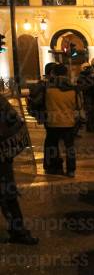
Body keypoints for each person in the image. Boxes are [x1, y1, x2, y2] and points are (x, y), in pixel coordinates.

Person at [0, 95, 38, 245]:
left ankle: (19, 232)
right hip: (4, 154)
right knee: (8, 196)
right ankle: (19, 231)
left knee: (8, 197)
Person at [45, 63, 80, 177]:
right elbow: (78, 106)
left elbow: (42, 104)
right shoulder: (73, 90)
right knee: (69, 147)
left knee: (52, 145)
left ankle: (54, 168)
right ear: (66, 73)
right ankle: (71, 170)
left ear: (54, 73)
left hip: (52, 123)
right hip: (69, 123)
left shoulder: (48, 90)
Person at [77, 62, 94, 132]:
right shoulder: (81, 77)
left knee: (92, 111)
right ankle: (89, 126)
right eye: (88, 68)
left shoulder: (89, 76)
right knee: (88, 112)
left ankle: (92, 125)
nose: (90, 69)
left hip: (91, 95)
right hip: (86, 96)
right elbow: (83, 87)